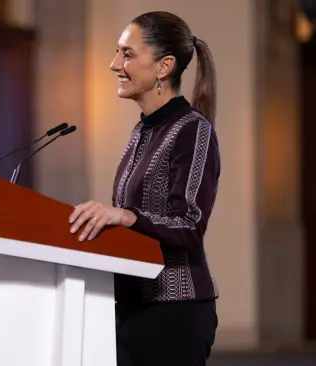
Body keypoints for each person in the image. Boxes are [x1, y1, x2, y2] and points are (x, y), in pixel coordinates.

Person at [68, 11, 220, 366]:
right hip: (131, 310)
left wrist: (123, 216)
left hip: (175, 315)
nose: (114, 64)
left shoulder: (193, 130)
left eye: (127, 54)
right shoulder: (141, 132)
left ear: (164, 66)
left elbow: (189, 226)